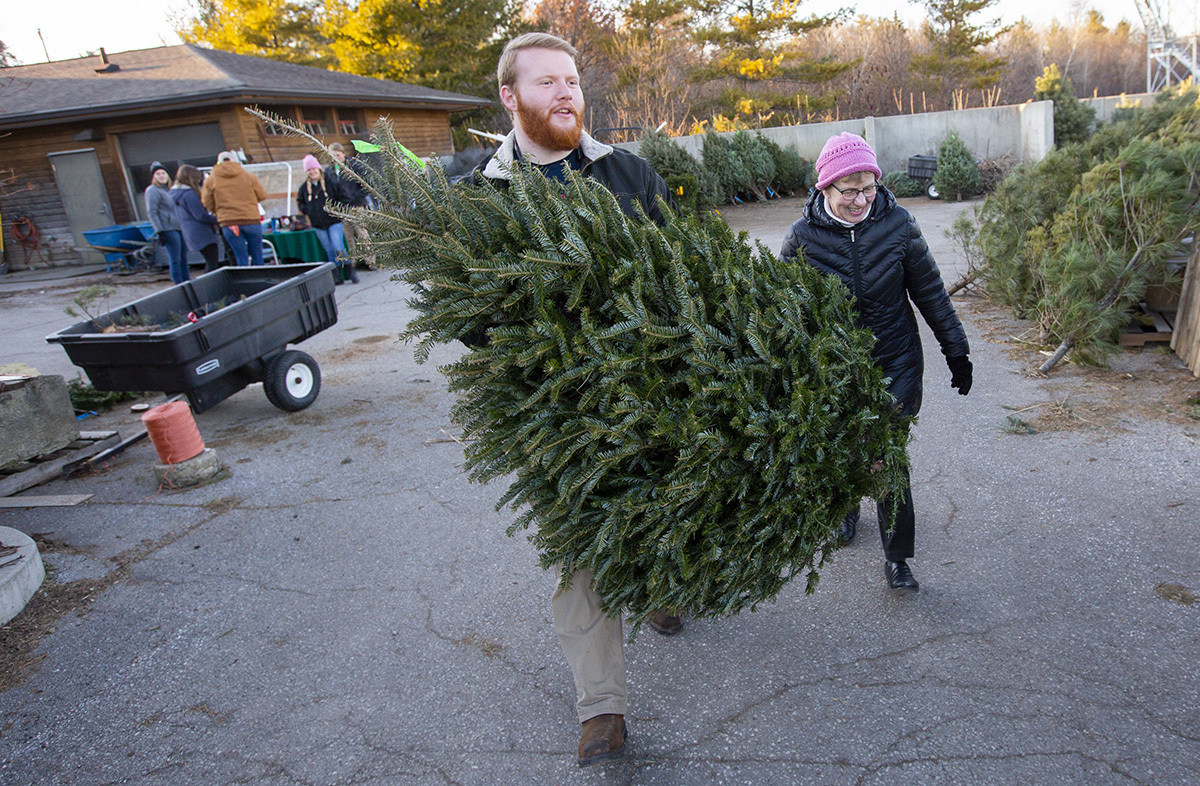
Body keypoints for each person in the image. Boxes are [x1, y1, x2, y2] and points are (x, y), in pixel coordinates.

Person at [469, 32, 675, 768]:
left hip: (645, 392)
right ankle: (602, 710)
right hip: (549, 415)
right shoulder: (479, 195)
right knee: (578, 547)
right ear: (510, 96)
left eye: (573, 81)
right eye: (548, 82)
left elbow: (682, 278)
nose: (566, 93)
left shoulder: (629, 174)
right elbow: (464, 320)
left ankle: (659, 576)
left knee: (654, 514)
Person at [780, 132, 973, 593]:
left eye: (869, 187)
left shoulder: (899, 225)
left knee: (887, 461)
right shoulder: (801, 239)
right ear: (824, 188)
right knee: (845, 451)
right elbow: (782, 314)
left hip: (896, 363)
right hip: (835, 371)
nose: (862, 199)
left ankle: (898, 557)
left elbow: (930, 294)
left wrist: (957, 351)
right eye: (850, 191)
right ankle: (845, 509)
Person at [297, 154, 357, 284]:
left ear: (318, 168)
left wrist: (339, 210)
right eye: (309, 170)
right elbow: (300, 202)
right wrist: (308, 211)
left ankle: (350, 270)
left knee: (338, 247)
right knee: (329, 250)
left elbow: (344, 196)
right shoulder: (304, 188)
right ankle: (337, 276)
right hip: (318, 224)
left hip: (333, 221)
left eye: (313, 169)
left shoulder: (331, 182)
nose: (312, 172)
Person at [201, 151, 267, 266]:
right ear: (234, 161)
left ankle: (245, 282)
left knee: (241, 258)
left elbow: (207, 201)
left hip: (229, 223)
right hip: (251, 220)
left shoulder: (211, 180)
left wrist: (217, 211)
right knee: (258, 256)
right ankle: (263, 281)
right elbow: (262, 195)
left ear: (218, 162)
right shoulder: (249, 176)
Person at [326, 142, 375, 269]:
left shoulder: (354, 167)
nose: (336, 158)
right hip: (342, 208)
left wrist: (357, 198)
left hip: (356, 205)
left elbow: (367, 184)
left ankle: (371, 261)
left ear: (343, 154)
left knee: (362, 233)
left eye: (338, 155)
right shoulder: (330, 171)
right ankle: (356, 260)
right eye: (333, 155)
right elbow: (330, 192)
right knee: (348, 237)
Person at [171, 165, 222, 274]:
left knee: (210, 262)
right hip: (203, 233)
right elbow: (200, 215)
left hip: (190, 232)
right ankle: (209, 287)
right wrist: (220, 219)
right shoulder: (189, 194)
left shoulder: (175, 194)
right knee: (213, 264)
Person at [144, 161, 188, 283]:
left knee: (184, 258)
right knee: (175, 259)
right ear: (154, 177)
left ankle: (187, 282)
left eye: (163, 173)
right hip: (168, 228)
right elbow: (152, 212)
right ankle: (179, 284)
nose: (161, 175)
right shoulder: (152, 191)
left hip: (179, 227)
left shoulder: (170, 189)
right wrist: (159, 230)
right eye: (158, 174)